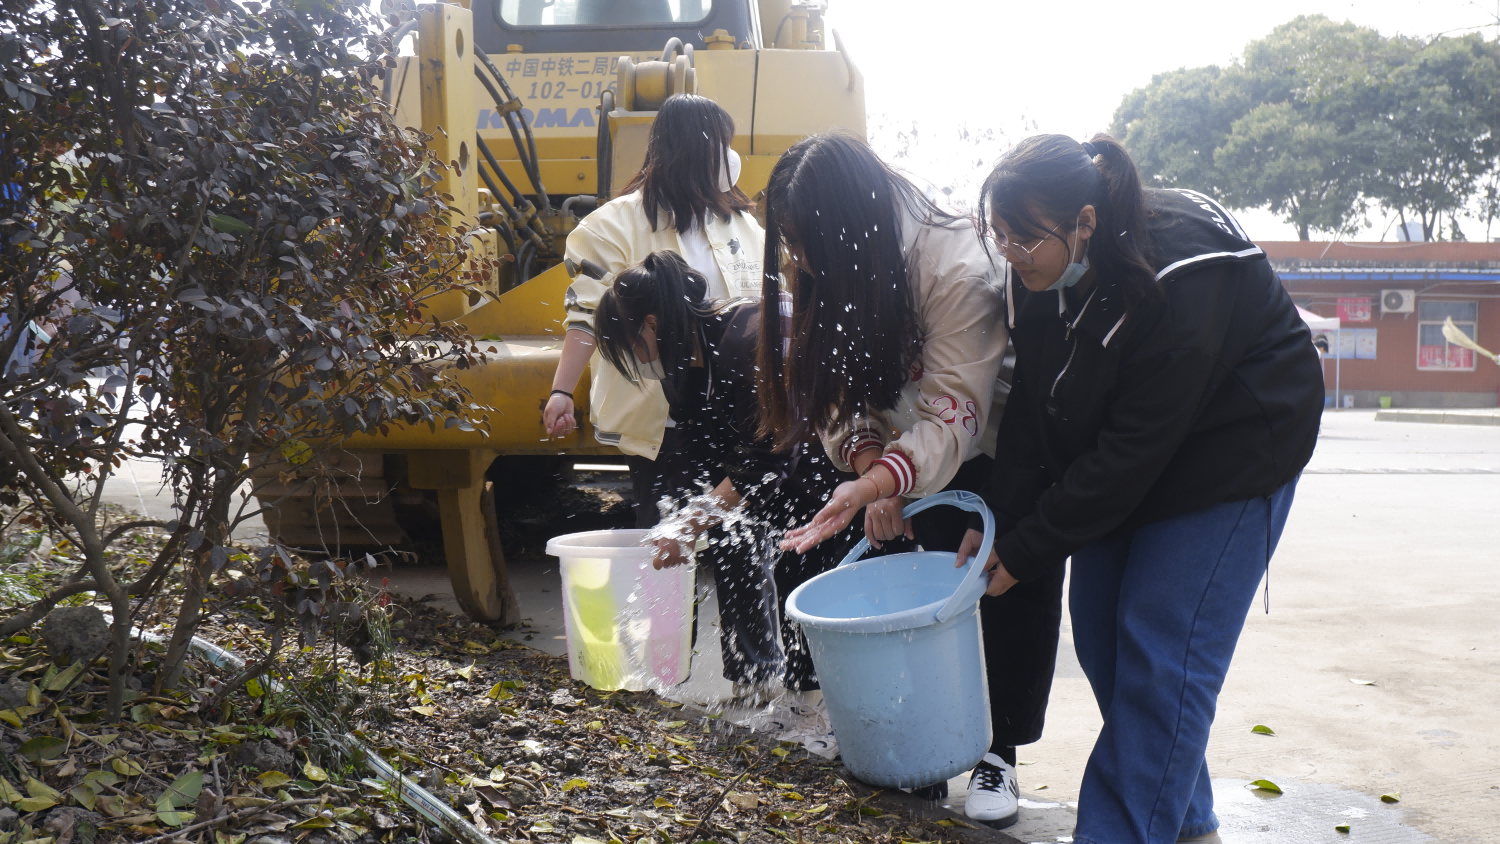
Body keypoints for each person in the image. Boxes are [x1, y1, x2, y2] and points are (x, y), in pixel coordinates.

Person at [958, 134, 1324, 844]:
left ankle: (1119, 832)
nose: (1009, 251)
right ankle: (1186, 822)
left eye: (1023, 238)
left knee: (1163, 649)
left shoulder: (1183, 272)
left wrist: (1030, 549)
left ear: (1084, 224)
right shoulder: (1034, 279)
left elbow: (1132, 453)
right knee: (1100, 636)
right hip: (1132, 451)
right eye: (998, 234)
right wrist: (1004, 523)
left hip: (1231, 452)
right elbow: (1034, 408)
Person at [760, 132, 1047, 828]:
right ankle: (924, 750)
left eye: (806, 242)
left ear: (844, 227)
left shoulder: (951, 263)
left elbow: (956, 409)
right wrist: (869, 472)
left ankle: (998, 751)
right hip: (903, 449)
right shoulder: (833, 262)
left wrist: (887, 480)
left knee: (994, 580)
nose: (800, 260)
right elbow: (838, 391)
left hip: (995, 438)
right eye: (791, 244)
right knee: (919, 595)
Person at [591, 250, 860, 703]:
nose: (636, 361)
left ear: (652, 325)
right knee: (740, 549)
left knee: (808, 587)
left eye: (632, 345)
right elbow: (706, 457)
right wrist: (680, 523)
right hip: (772, 487)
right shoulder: (684, 368)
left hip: (826, 477)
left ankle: (813, 709)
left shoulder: (749, 337)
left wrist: (691, 524)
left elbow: (769, 455)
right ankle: (772, 694)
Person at [542, 93, 764, 529]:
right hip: (662, 419)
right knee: (668, 541)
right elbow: (585, 315)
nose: (729, 156)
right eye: (720, 143)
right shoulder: (611, 226)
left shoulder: (742, 224)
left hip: (738, 409)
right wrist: (561, 392)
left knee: (742, 541)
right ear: (692, 149)